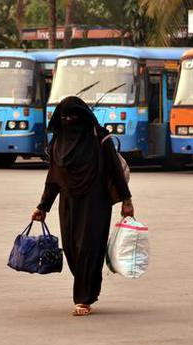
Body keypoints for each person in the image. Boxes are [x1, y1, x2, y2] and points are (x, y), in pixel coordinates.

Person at [31, 96, 133, 317]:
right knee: (71, 248)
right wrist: (43, 206)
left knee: (88, 247)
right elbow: (53, 177)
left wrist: (127, 200)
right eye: (64, 117)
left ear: (83, 118)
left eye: (73, 116)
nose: (68, 121)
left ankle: (83, 298)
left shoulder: (100, 138)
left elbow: (115, 171)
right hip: (69, 202)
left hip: (96, 201)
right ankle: (88, 285)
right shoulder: (58, 142)